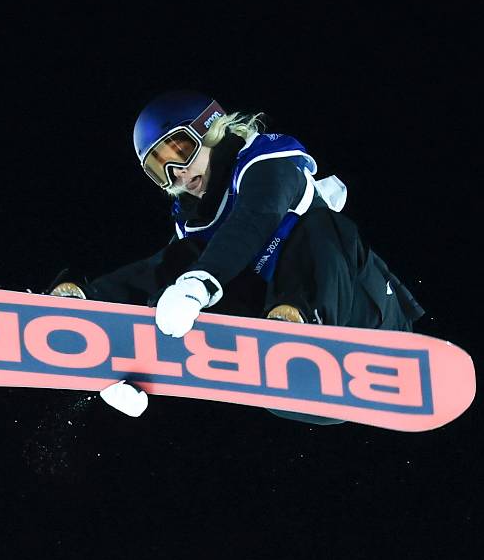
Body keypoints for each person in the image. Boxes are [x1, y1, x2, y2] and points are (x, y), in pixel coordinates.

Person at [48, 90, 424, 424]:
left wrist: (199, 283)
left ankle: (299, 326)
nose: (177, 173)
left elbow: (256, 217)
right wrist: (136, 366)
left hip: (364, 320)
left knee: (317, 226)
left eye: (180, 150)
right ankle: (89, 306)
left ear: (211, 129)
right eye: (160, 170)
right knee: (177, 263)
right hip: (297, 391)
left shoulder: (268, 162)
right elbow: (165, 272)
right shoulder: (194, 224)